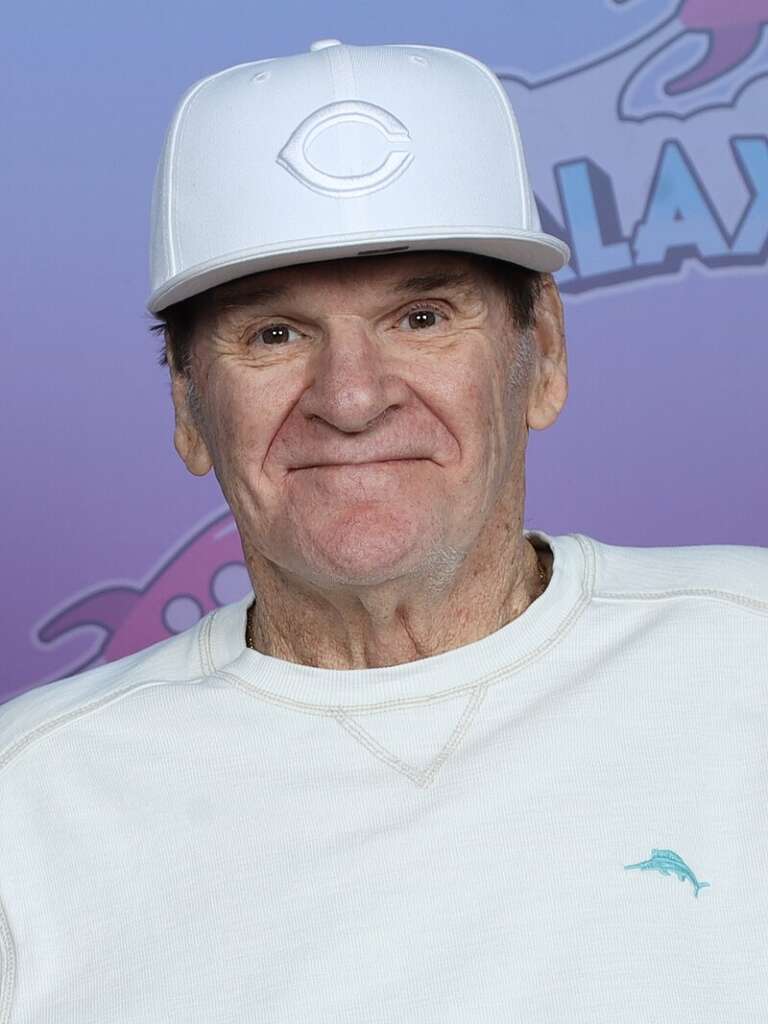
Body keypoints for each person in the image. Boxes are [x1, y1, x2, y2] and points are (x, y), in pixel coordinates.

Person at [1, 39, 766, 1023]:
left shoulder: (748, 654)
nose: (352, 398)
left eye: (421, 316)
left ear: (545, 359)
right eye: (274, 333)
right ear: (190, 407)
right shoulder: (30, 807)